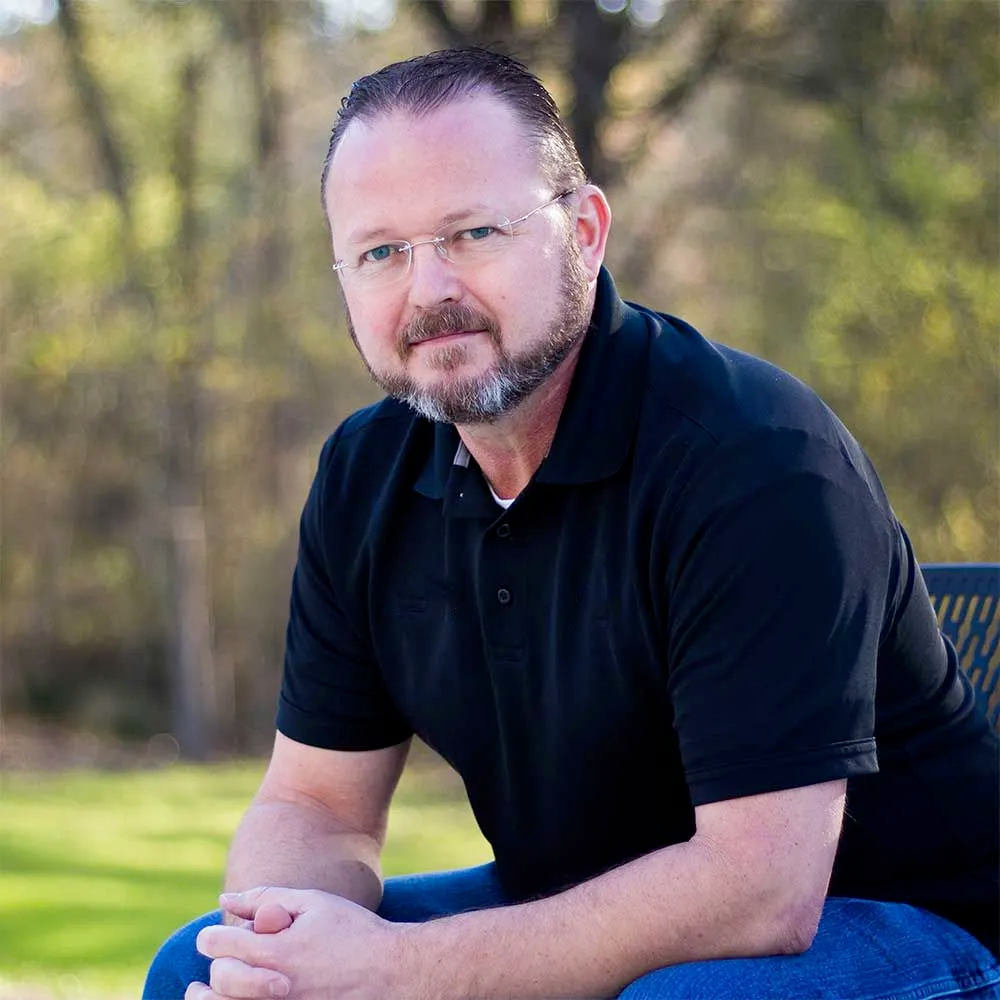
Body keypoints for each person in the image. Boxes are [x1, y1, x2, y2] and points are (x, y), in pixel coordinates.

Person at [144, 48, 999, 1000]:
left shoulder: (754, 459)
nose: (428, 293)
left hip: (908, 925)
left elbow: (762, 892)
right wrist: (276, 955)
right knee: (204, 961)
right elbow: (317, 804)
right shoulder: (365, 476)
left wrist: (402, 970)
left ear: (584, 232)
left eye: (472, 232)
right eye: (381, 251)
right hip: (595, 895)